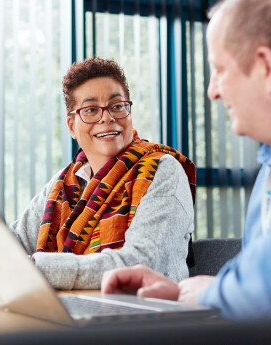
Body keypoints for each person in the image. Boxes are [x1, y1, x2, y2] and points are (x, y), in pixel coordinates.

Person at [101, 0, 271, 320]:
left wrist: (212, 293)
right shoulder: (268, 165)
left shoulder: (160, 169)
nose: (212, 91)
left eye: (219, 70)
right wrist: (181, 292)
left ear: (265, 67)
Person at [6, 57, 196, 290]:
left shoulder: (163, 170)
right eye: (91, 110)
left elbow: (140, 265)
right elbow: (15, 240)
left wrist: (32, 268)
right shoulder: (64, 184)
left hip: (146, 318)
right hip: (73, 309)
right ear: (71, 126)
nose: (107, 117)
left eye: (117, 106)